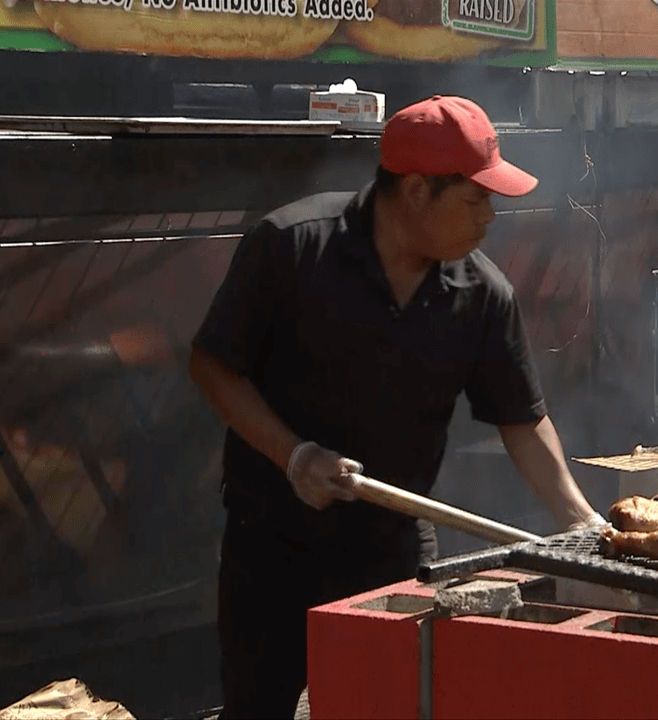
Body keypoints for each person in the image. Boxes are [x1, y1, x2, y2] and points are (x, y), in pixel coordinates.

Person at [189, 94, 606, 719]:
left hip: (391, 552)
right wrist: (295, 456)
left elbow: (521, 418)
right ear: (415, 191)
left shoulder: (481, 293)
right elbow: (213, 365)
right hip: (272, 547)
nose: (490, 216)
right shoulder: (291, 247)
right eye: (475, 198)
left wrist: (580, 522)